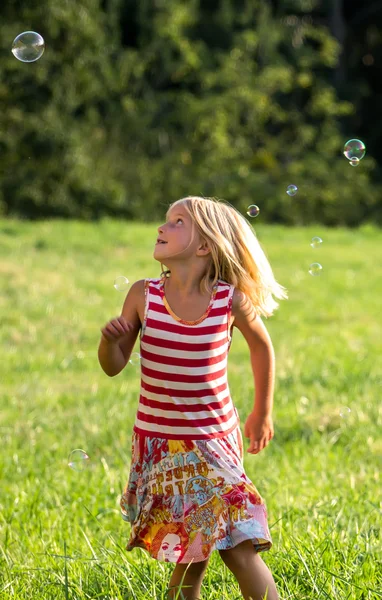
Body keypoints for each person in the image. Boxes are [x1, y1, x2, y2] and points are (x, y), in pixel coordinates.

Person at [98, 196, 288, 600]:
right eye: (165, 220)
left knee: (238, 550)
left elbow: (262, 347)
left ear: (205, 246)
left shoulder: (228, 300)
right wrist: (109, 342)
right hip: (161, 446)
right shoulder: (142, 295)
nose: (162, 228)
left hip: (212, 444)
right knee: (189, 555)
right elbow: (114, 365)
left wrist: (262, 411)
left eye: (177, 221)